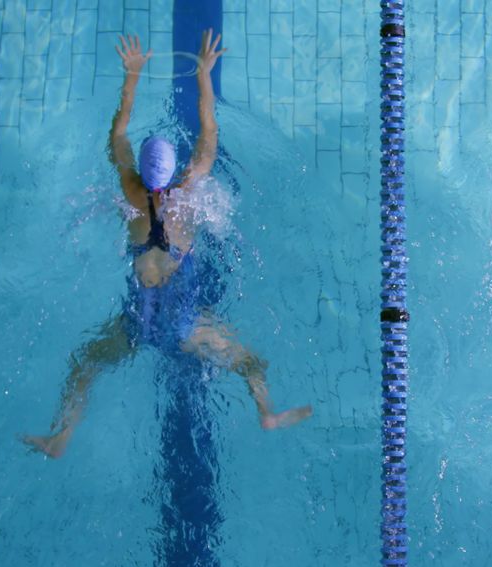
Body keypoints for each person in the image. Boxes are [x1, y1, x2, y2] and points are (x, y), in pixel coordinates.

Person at [24, 31, 312, 459]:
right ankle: (267, 412)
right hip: (185, 323)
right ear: (175, 169)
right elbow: (208, 126)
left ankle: (61, 436)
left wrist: (132, 74)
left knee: (84, 368)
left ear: (141, 171)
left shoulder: (129, 192)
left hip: (137, 321)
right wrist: (204, 73)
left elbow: (119, 131)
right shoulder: (190, 193)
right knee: (252, 364)